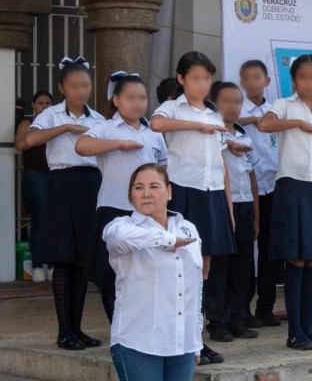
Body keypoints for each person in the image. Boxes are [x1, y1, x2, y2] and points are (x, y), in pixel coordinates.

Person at [151, 51, 233, 365]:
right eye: (195, 78)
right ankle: (179, 339)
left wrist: (227, 208)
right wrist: (195, 126)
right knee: (181, 265)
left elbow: (221, 163)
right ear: (181, 79)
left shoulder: (214, 113)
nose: (201, 84)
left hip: (212, 193)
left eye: (206, 78)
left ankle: (196, 340)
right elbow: (156, 123)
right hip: (185, 190)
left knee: (204, 267)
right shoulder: (173, 107)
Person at [257, 54, 312, 351]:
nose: (309, 82)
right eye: (303, 77)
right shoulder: (284, 105)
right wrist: (298, 124)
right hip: (292, 186)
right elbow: (264, 125)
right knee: (296, 258)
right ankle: (294, 332)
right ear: (293, 81)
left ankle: (309, 327)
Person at [23, 56, 105, 350]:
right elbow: (30, 140)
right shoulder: (52, 114)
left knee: (82, 260)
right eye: (74, 86)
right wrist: (66, 128)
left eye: (85, 85)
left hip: (91, 185)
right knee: (63, 258)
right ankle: (63, 330)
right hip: (61, 183)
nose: (81, 91)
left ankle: (77, 328)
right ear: (62, 87)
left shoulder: (98, 118)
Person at [75, 72, 168, 323]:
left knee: (145, 273)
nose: (137, 103)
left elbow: (163, 168)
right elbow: (81, 146)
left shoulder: (153, 133)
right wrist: (118, 144)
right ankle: (119, 330)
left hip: (147, 213)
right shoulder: (105, 128)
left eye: (142, 98)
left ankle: (140, 328)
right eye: (130, 98)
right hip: (114, 208)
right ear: (116, 100)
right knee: (111, 277)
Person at [104, 163, 202, 381]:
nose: (146, 194)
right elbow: (118, 238)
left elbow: (195, 287)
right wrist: (168, 240)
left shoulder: (188, 228)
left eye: (154, 186)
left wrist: (196, 339)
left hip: (182, 342)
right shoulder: (121, 227)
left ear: (169, 191)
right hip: (138, 341)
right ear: (130, 195)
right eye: (138, 187)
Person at [207, 82, 260, 341]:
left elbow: (252, 177)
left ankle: (238, 318)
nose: (233, 106)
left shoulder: (244, 135)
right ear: (214, 104)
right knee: (220, 266)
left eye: (237, 101)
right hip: (220, 205)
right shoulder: (211, 134)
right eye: (226, 101)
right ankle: (218, 322)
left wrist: (256, 215)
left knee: (242, 266)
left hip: (245, 205)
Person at [238, 60, 282, 327]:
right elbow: (228, 121)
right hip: (246, 188)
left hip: (274, 186)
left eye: (257, 77)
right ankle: (241, 308)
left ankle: (265, 307)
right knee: (245, 251)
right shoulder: (238, 109)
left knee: (270, 250)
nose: (252, 82)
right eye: (247, 78)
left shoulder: (275, 110)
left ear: (266, 81)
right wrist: (253, 120)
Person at [15, 90, 54, 282]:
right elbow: (20, 145)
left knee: (56, 221)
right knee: (39, 220)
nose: (44, 107)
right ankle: (38, 266)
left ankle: (53, 265)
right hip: (36, 175)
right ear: (33, 105)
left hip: (57, 175)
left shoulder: (56, 123)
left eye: (48, 103)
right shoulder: (27, 123)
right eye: (40, 103)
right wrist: (38, 133)